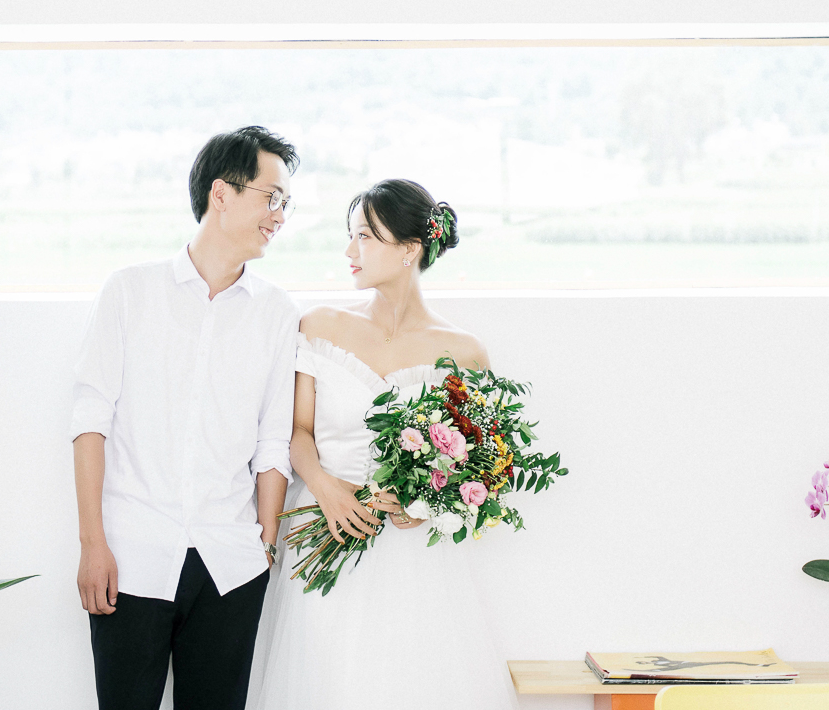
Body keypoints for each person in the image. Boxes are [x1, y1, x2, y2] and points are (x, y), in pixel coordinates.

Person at [248, 178, 517, 709]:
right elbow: (296, 433)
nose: (350, 251)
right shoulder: (320, 325)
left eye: (365, 237)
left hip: (413, 554)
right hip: (326, 529)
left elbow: (483, 465)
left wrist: (429, 502)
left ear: (410, 248)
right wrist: (325, 488)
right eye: (352, 236)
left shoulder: (464, 352)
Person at [70, 126, 303, 710]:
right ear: (221, 194)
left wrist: (264, 546)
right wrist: (93, 543)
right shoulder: (130, 291)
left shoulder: (277, 313)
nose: (279, 215)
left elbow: (273, 441)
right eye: (271, 197)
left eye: (285, 203)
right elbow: (90, 420)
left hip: (231, 564)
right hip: (131, 557)